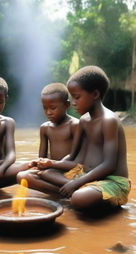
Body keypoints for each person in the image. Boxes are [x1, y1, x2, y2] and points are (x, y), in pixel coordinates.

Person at [29, 66, 130, 210]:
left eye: (77, 97)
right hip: (84, 176)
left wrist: (75, 183)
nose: (74, 103)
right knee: (30, 176)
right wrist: (51, 163)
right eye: (72, 98)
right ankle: (72, 192)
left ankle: (76, 193)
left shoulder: (109, 120)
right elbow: (76, 159)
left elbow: (109, 165)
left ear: (95, 94)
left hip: (111, 182)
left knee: (79, 199)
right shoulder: (83, 121)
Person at [17, 83, 79, 193]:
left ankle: (71, 188)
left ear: (66, 105)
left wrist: (51, 164)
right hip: (51, 171)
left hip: (71, 170)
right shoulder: (45, 128)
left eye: (53, 108)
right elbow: (42, 157)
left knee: (47, 173)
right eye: (45, 108)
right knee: (22, 176)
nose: (48, 112)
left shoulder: (74, 125)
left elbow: (77, 158)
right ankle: (64, 192)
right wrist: (37, 164)